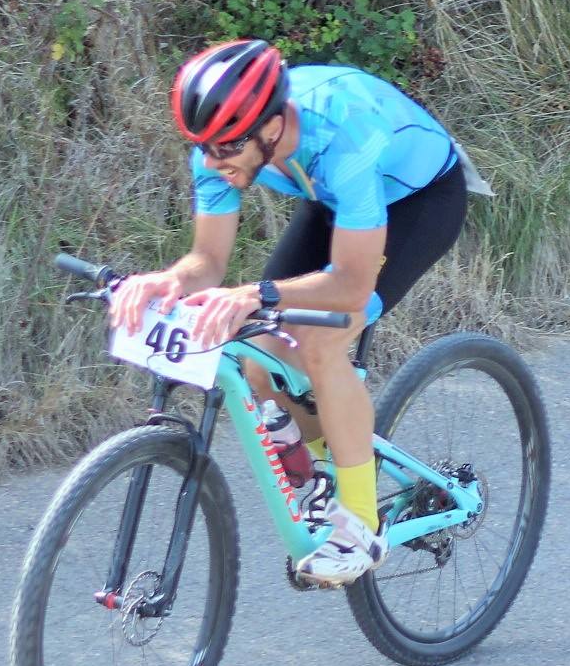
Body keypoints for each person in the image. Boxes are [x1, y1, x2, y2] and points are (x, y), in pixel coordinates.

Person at [110, 38, 482, 586]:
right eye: (204, 148)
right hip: (335, 201)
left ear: (273, 126)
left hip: (419, 203)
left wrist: (257, 295)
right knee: (258, 355)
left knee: (319, 339)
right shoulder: (223, 142)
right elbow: (208, 260)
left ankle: (361, 525)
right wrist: (168, 280)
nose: (214, 163)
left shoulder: (343, 134)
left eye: (227, 147)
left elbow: (352, 285)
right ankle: (331, 464)